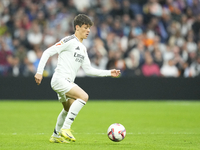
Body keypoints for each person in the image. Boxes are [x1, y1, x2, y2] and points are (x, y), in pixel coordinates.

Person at [34, 14, 121, 143]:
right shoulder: (69, 41)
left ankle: (55, 135)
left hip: (66, 82)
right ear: (77, 27)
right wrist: (39, 72)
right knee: (84, 96)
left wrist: (109, 72)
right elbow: (48, 52)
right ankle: (66, 128)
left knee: (67, 109)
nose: (88, 30)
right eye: (85, 27)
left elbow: (89, 70)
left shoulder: (83, 49)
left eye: (89, 28)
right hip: (60, 79)